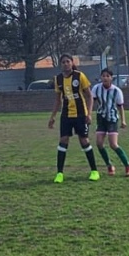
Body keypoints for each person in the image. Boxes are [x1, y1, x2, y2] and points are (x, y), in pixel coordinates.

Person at [48, 54, 99, 183]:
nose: (66, 64)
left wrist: (89, 114)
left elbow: (89, 96)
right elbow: (57, 100)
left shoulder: (79, 76)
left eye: (68, 61)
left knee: (84, 141)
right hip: (66, 115)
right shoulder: (58, 79)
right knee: (63, 141)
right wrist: (53, 116)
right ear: (61, 64)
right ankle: (59, 173)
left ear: (72, 63)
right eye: (63, 62)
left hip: (80, 114)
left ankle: (94, 171)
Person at [90, 68, 129, 177]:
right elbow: (92, 101)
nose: (105, 78)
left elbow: (120, 107)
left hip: (112, 119)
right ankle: (109, 165)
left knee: (113, 144)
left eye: (107, 76)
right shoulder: (96, 88)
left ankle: (128, 167)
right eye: (103, 76)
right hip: (101, 118)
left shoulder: (116, 91)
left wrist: (123, 120)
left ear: (111, 78)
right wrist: (88, 114)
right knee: (99, 143)